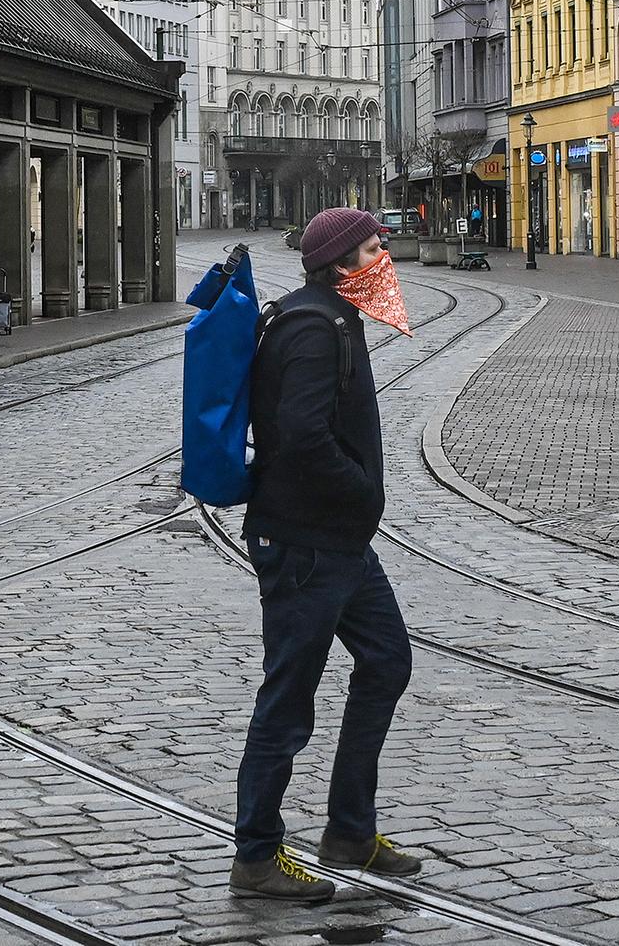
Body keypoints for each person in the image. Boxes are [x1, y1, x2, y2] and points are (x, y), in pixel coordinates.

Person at [229, 207, 421, 903]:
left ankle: (348, 832)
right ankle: (256, 856)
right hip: (306, 542)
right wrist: (362, 491)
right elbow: (303, 434)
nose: (382, 260)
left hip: (338, 541)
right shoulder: (312, 327)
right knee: (288, 699)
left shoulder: (330, 316)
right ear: (341, 264)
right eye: (371, 249)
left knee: (387, 660)